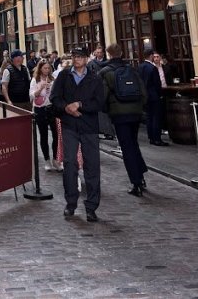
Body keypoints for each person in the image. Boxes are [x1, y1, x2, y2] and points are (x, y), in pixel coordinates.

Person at [50, 46, 104, 222]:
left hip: (89, 126)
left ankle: (91, 206)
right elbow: (54, 98)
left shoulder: (95, 78)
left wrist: (80, 105)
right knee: (70, 163)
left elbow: (99, 103)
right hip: (70, 125)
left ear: (86, 59)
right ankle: (70, 203)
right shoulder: (64, 76)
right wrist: (66, 108)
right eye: (74, 56)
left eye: (80, 56)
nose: (77, 59)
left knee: (92, 165)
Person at [101, 44, 148, 196]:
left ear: (108, 55)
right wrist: (139, 107)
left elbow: (103, 96)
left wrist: (107, 110)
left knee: (127, 147)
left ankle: (136, 182)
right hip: (135, 112)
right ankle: (140, 175)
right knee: (133, 144)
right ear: (121, 53)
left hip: (119, 114)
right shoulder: (131, 69)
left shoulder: (106, 72)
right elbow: (143, 92)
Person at [29, 60, 60, 171]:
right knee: (44, 135)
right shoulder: (35, 80)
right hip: (40, 110)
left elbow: (56, 94)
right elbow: (31, 95)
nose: (47, 70)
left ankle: (56, 160)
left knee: (56, 134)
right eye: (45, 68)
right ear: (40, 69)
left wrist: (51, 90)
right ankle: (47, 160)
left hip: (51, 109)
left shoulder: (52, 79)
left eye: (48, 68)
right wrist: (41, 88)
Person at [139, 48, 169, 146]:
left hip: (145, 95)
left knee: (149, 117)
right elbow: (157, 83)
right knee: (156, 117)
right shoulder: (152, 68)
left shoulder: (140, 67)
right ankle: (157, 138)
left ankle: (151, 137)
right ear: (151, 56)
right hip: (154, 95)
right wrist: (160, 94)